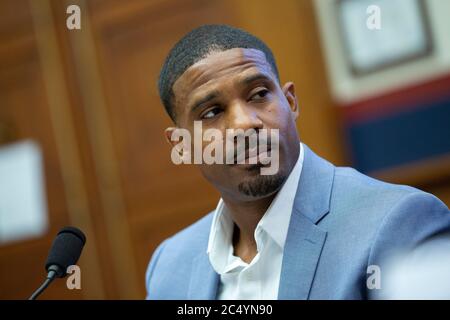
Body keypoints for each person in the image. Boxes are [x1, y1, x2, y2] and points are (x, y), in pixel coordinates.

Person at [145, 24, 450, 299]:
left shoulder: (399, 224)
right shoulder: (169, 266)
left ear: (290, 102)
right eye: (211, 112)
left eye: (258, 94)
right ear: (181, 145)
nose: (243, 124)